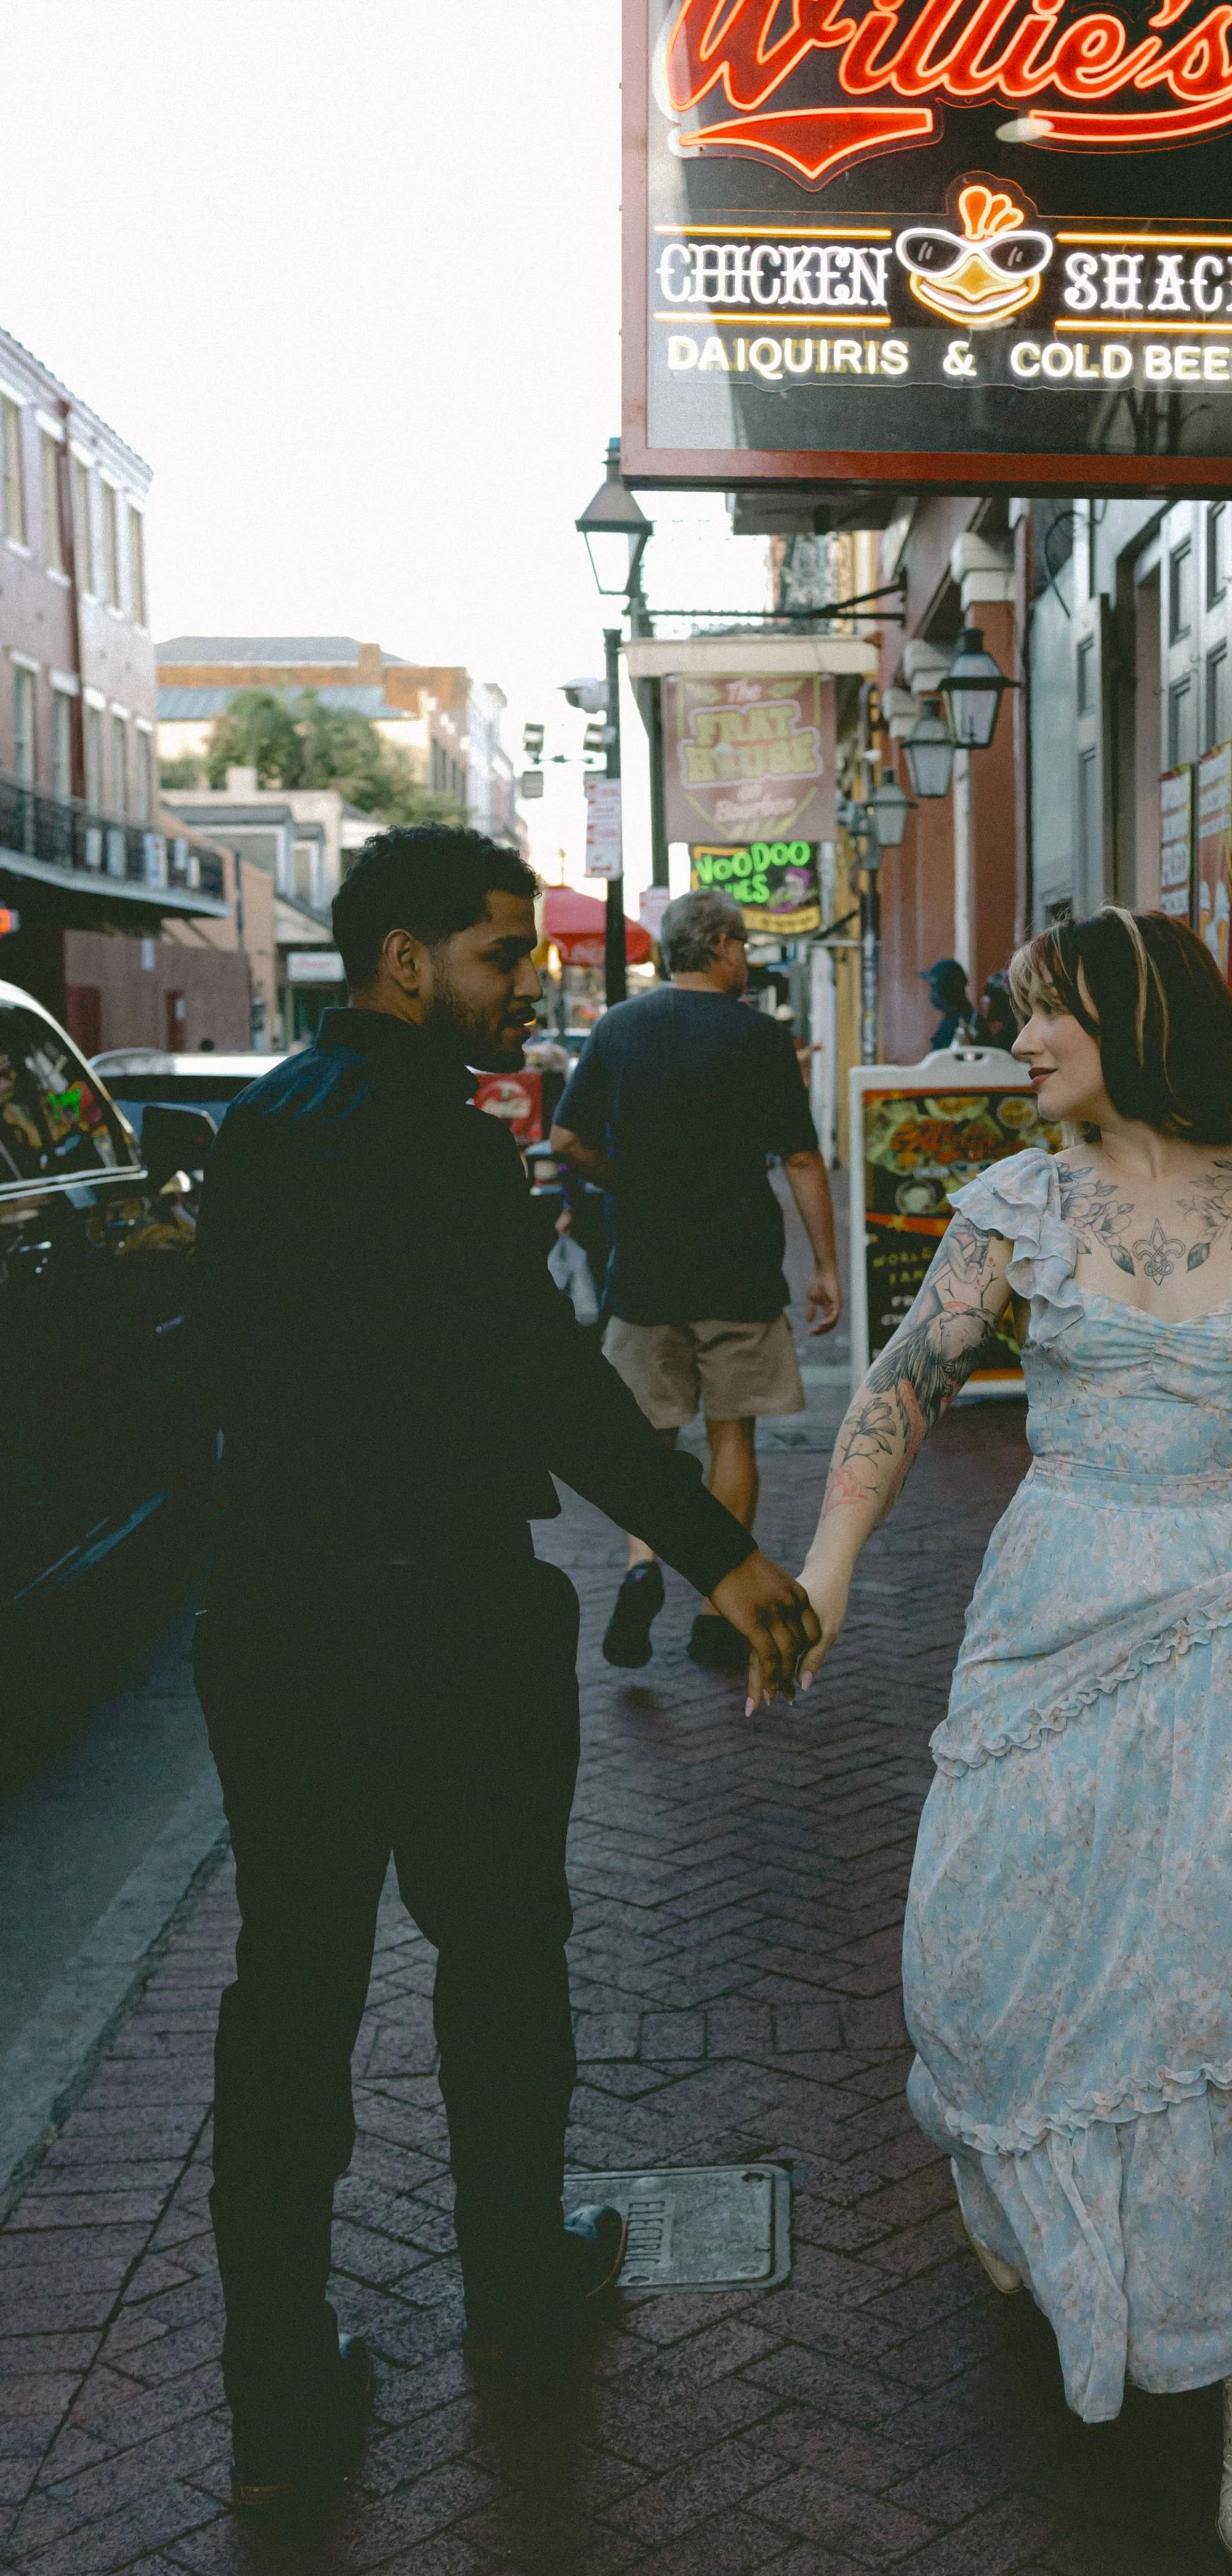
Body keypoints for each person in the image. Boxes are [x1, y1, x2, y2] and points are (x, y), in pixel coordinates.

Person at [191, 828, 817, 2516]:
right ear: (406, 961)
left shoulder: (256, 1126)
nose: (524, 980)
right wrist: (726, 1551)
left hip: (275, 1620)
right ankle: (515, 2286)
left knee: (292, 1993)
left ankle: (276, 2382)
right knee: (503, 1958)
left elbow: (229, 1372)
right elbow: (547, 1388)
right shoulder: (445, 1150)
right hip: (445, 1618)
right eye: (495, 953)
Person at [794, 908, 1232, 2566]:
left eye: (1046, 1014)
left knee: (1225, 1986)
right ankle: (1032, 2193)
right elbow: (904, 1384)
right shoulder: (1015, 1207)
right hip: (1055, 1604)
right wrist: (827, 1568)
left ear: (1134, 1020)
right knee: (985, 1944)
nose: (1020, 1040)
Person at [551, 887, 842, 1674]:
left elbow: (567, 1139)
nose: (745, 958)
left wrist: (626, 1183)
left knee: (644, 1438)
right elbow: (804, 1159)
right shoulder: (758, 1037)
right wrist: (824, 1264)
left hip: (644, 1266)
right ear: (718, 947)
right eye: (742, 945)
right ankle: (718, 1607)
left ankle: (641, 1564)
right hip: (739, 1269)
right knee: (730, 1433)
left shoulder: (617, 1027)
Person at [920, 955, 973, 1050]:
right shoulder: (954, 1019)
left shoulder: (962, 1024)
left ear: (945, 991)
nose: (931, 993)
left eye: (933, 988)